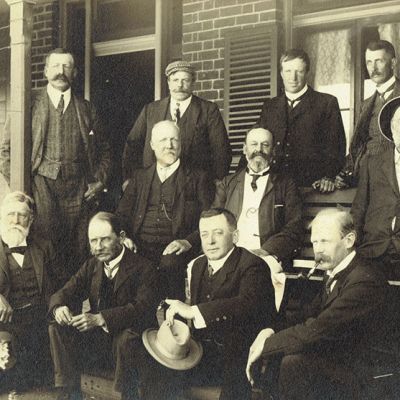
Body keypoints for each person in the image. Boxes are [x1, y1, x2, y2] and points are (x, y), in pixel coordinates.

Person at [246, 209, 387, 400]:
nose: (318, 249)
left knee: (293, 362)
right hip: (340, 359)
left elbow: (319, 328)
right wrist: (270, 331)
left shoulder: (365, 280)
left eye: (325, 241)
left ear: (349, 240)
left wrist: (265, 346)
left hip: (369, 374)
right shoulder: (336, 271)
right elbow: (306, 315)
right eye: (314, 242)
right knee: (285, 353)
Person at [0, 48, 111, 284]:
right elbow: (5, 151)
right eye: (56, 66)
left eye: (67, 66)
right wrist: (22, 187)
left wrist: (99, 181)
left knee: (80, 250)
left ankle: (70, 310)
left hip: (79, 190)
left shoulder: (87, 108)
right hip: (42, 188)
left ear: (75, 72)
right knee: (46, 249)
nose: (61, 72)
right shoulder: (28, 104)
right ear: (45, 71)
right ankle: (50, 311)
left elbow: (105, 152)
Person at [162, 208, 277, 400]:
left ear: (235, 236)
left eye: (218, 232)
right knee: (160, 370)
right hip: (205, 354)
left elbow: (246, 303)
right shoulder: (198, 265)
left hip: (242, 357)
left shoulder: (253, 265)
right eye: (204, 234)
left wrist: (193, 310)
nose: (210, 241)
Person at [48, 212, 159, 400]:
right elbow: (65, 291)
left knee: (127, 338)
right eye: (93, 241)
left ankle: (126, 395)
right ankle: (68, 393)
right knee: (56, 327)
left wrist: (101, 318)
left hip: (129, 344)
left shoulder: (144, 267)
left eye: (104, 240)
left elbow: (142, 308)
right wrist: (59, 307)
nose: (98, 247)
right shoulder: (91, 266)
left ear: (122, 237)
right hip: (99, 344)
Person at [117, 120, 212, 299]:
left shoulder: (198, 178)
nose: (169, 145)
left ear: (181, 144)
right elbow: (122, 214)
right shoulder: (140, 177)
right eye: (163, 141)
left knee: (171, 265)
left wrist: (188, 242)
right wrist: (125, 237)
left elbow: (210, 219)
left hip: (176, 248)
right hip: (140, 245)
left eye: (174, 140)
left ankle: (175, 323)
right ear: (152, 145)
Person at [122, 60, 231, 186]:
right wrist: (129, 179)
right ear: (168, 82)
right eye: (175, 80)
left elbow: (221, 150)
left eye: (185, 80)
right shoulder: (150, 110)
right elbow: (132, 144)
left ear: (193, 83)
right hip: (153, 186)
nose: (180, 85)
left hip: (194, 189)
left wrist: (214, 183)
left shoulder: (208, 110)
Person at [251, 48, 346, 192]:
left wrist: (329, 176)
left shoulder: (326, 103)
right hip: (274, 187)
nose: (293, 78)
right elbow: (256, 142)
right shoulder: (269, 107)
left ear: (307, 72)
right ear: (281, 73)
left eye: (299, 71)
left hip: (311, 187)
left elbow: (336, 146)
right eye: (288, 71)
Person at [213, 126, 303, 268]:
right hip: (230, 251)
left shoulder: (286, 184)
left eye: (265, 145)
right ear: (244, 149)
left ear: (273, 151)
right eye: (254, 144)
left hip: (266, 254)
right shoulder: (228, 183)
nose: (259, 150)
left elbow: (294, 227)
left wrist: (266, 250)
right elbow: (214, 221)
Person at [0, 191, 58, 398]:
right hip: (7, 322)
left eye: (22, 215)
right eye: (10, 214)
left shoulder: (44, 247)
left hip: (39, 320)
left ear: (31, 219)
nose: (15, 220)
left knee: (42, 375)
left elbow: (61, 285)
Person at [337, 40, 400, 188]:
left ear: (393, 63)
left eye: (379, 61)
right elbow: (359, 146)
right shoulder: (365, 104)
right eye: (369, 62)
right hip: (367, 181)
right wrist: (346, 173)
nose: (373, 68)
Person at [352, 95, 400, 279]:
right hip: (374, 251)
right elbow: (359, 209)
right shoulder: (372, 163)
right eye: (399, 124)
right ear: (392, 130)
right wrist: (354, 249)